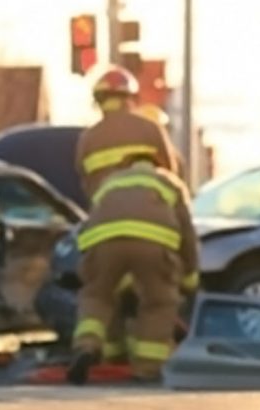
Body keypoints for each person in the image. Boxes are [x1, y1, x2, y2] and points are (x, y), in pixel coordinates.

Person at [66, 131, 200, 386]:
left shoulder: (110, 182)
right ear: (157, 164)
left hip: (102, 242)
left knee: (97, 296)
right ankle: (148, 367)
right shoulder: (168, 182)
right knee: (158, 302)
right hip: (153, 243)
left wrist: (92, 269)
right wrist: (190, 277)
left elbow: (91, 222)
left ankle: (87, 346)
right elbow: (187, 234)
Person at [75, 66, 182, 198]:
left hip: (105, 208)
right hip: (150, 206)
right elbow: (171, 175)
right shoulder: (151, 129)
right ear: (132, 99)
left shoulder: (87, 139)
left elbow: (84, 180)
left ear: (98, 101)